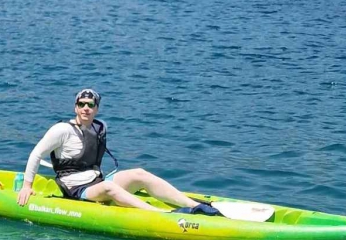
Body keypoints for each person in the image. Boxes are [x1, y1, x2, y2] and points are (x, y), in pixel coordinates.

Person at [16, 88, 220, 214]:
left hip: (96, 181)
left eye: (90, 105)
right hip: (77, 190)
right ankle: (159, 214)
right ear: (75, 108)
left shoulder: (97, 127)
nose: (86, 108)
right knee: (109, 188)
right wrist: (27, 186)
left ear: (96, 108)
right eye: (81, 104)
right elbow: (35, 154)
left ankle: (194, 205)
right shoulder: (61, 130)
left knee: (139, 173)